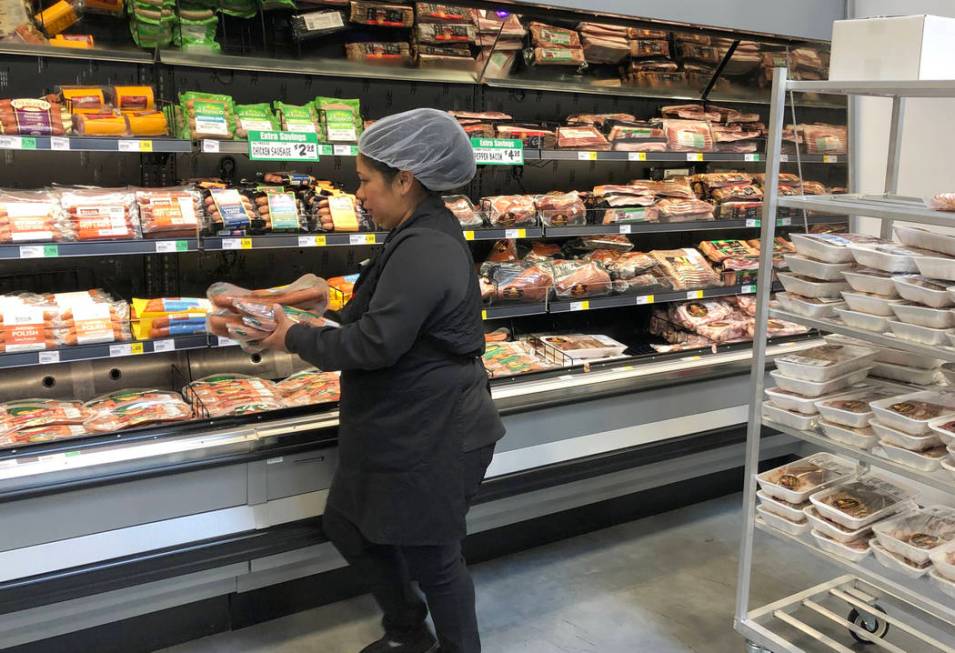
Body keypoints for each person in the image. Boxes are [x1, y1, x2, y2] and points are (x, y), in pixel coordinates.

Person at [256, 108, 505, 653]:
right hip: (399, 425)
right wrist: (329, 305)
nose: (360, 193)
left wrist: (291, 336)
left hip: (436, 431)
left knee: (435, 558)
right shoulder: (414, 232)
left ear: (405, 179)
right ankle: (407, 631)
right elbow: (384, 320)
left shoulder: (427, 245)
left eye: (366, 180)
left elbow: (375, 344)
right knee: (348, 525)